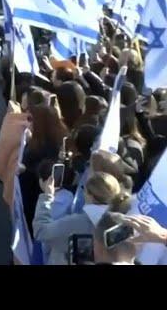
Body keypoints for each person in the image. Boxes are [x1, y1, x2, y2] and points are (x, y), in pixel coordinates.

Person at [33, 171, 131, 265]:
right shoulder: (123, 225)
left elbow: (41, 232)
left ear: (89, 195)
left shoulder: (75, 224)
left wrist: (47, 197)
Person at [20, 104, 68, 232]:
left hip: (36, 197)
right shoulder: (44, 140)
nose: (27, 122)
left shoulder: (49, 147)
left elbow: (47, 174)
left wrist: (25, 170)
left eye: (30, 120)